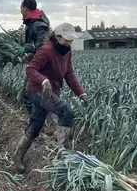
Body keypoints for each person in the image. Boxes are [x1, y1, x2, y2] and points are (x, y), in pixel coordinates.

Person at [12, 22, 88, 173]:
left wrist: (81, 92)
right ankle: (64, 157)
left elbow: (69, 73)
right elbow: (30, 70)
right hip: (37, 90)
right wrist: (44, 81)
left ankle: (18, 155)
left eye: (70, 40)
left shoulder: (67, 51)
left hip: (51, 92)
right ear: (57, 37)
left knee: (36, 124)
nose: (68, 43)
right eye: (66, 40)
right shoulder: (46, 50)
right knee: (65, 110)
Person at [17, 0, 51, 115]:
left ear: (26, 8)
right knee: (33, 95)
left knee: (27, 95)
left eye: (21, 8)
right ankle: (41, 123)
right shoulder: (32, 22)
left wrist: (27, 48)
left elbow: (42, 45)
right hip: (36, 63)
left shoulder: (38, 25)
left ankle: (37, 124)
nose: (20, 10)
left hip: (40, 66)